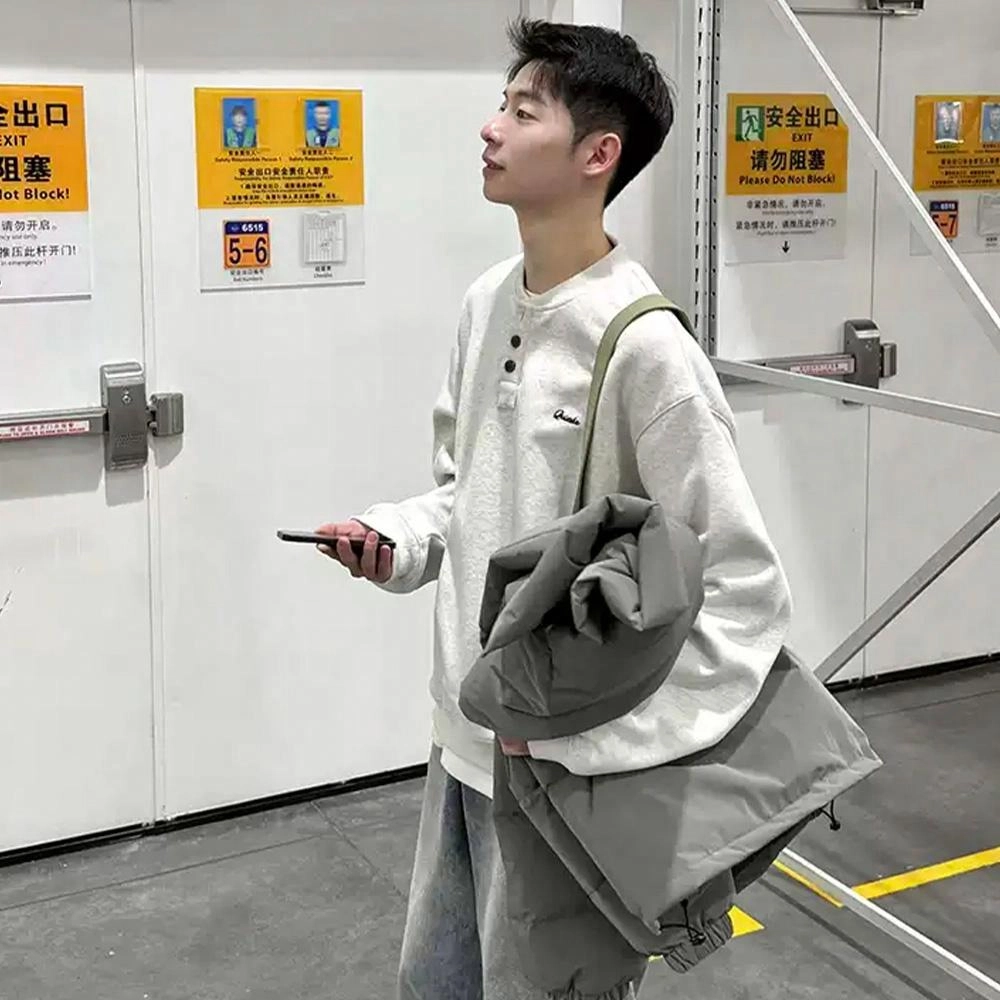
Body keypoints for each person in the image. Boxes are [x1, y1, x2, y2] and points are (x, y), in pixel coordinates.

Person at [317, 18, 791, 1000]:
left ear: (596, 154)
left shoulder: (646, 348)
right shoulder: (488, 301)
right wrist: (396, 541)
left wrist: (601, 743)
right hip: (463, 744)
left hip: (564, 778)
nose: (490, 128)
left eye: (523, 110)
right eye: (501, 104)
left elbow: (741, 589)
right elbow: (466, 496)